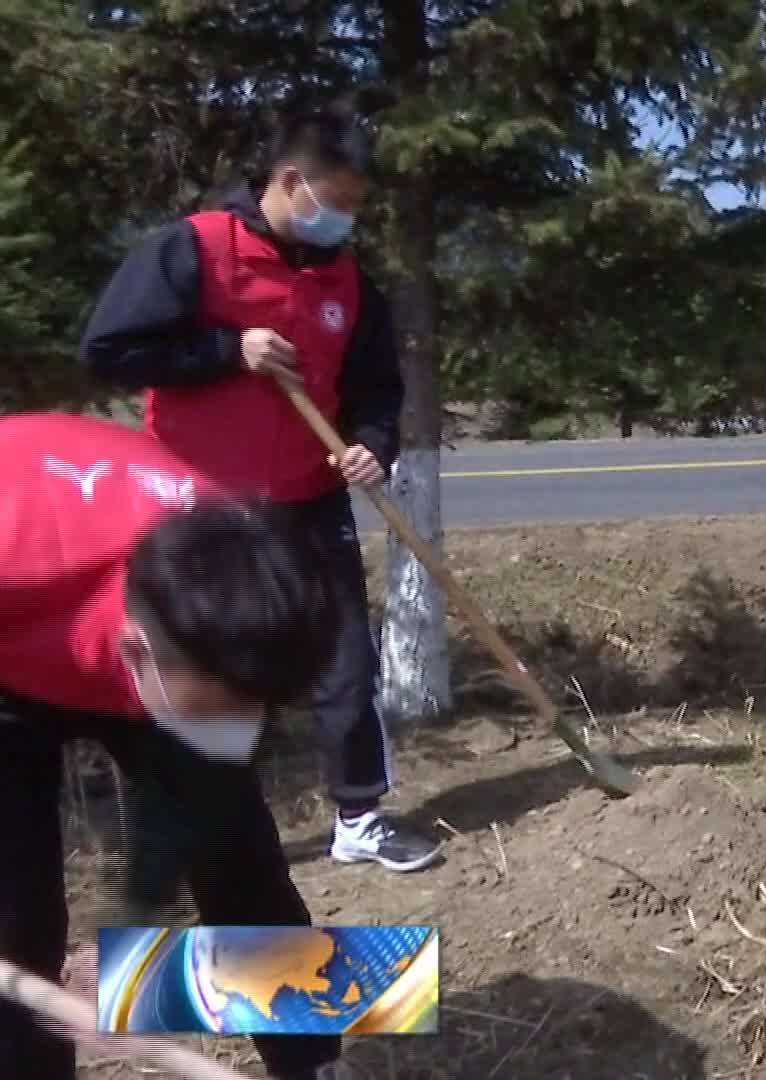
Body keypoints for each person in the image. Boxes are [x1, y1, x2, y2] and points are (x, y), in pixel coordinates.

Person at [79, 107, 440, 874]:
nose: (345, 219)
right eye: (337, 201)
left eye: (354, 206)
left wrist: (374, 447)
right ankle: (195, 832)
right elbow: (108, 348)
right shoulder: (196, 249)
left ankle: (359, 816)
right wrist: (225, 348)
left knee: (345, 653)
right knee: (203, 664)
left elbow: (376, 386)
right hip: (199, 505)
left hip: (309, 497)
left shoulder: (346, 279)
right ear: (290, 180)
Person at [0, 413, 348, 1080]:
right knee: (13, 913)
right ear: (135, 652)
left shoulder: (245, 593)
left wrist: (136, 930)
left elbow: (199, 798)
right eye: (221, 712)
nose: (239, 733)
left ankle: (314, 1065)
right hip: (12, 651)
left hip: (163, 651)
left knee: (244, 869)